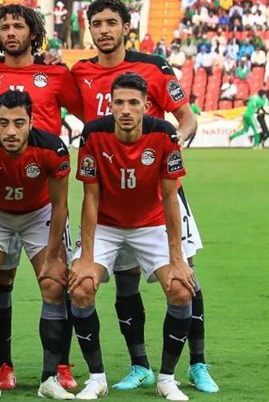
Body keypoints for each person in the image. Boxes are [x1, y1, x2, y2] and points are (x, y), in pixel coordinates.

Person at [71, 0, 216, 394]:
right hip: (110, 195)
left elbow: (187, 119)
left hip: (159, 192)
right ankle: (140, 366)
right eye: (97, 23)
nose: (104, 30)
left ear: (125, 27)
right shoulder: (80, 72)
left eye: (111, 23)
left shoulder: (153, 67)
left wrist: (170, 149)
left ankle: (198, 363)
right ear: (89, 29)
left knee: (185, 274)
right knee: (125, 283)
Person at [0, 3, 82, 390]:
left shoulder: (56, 73)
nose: (11, 32)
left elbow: (89, 114)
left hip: (42, 195)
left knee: (57, 279)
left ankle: (60, 366)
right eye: (5, 27)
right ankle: (3, 366)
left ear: (34, 32)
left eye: (19, 26)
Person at [70, 72, 196, 401]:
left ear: (146, 106)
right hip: (107, 225)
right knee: (81, 288)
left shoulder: (164, 135)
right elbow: (90, 198)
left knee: (181, 290)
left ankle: (166, 378)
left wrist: (177, 258)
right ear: (110, 105)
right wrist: (85, 258)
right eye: (119, 102)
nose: (126, 109)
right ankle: (96, 379)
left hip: (151, 224)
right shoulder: (93, 134)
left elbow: (170, 199)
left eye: (133, 103)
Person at [0, 90, 74, 401]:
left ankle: (49, 379)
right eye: (4, 122)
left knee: (53, 283)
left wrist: (53, 255)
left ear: (31, 122)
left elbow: (60, 205)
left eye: (19, 123)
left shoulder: (53, 149)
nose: (11, 131)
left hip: (39, 214)